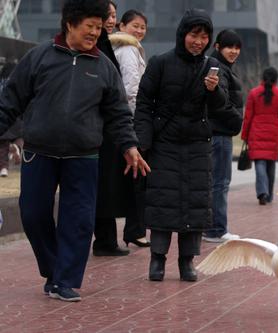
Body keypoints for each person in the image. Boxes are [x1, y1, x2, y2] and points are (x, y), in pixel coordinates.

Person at [0, 0, 150, 302]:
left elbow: (118, 113)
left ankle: (65, 280)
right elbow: (10, 100)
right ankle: (54, 269)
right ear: (69, 23)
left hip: (84, 155)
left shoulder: (104, 67)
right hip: (40, 152)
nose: (96, 32)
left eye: (99, 27)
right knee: (33, 214)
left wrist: (129, 145)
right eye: (90, 26)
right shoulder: (39, 57)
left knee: (80, 220)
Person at [135, 9, 226, 282]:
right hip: (165, 144)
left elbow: (224, 108)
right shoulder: (160, 63)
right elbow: (143, 104)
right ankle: (157, 259)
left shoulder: (212, 67)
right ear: (182, 35)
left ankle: (187, 261)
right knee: (163, 202)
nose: (198, 41)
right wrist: (143, 141)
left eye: (204, 37)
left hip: (198, 145)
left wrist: (215, 90)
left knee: (195, 203)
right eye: (193, 35)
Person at [96, 9, 150, 252]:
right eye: (135, 26)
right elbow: (130, 90)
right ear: (123, 26)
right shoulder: (128, 50)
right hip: (126, 122)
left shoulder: (111, 46)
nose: (139, 31)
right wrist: (134, 122)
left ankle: (116, 235)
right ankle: (134, 231)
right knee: (136, 176)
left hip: (112, 124)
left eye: (143, 27)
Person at [93, 0, 132, 257]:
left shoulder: (109, 45)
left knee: (106, 187)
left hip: (109, 131)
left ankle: (106, 240)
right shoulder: (96, 47)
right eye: (106, 15)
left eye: (113, 16)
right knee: (101, 187)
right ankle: (103, 241)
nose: (110, 20)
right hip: (95, 132)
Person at [203, 29, 243, 243]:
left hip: (220, 132)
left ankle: (211, 227)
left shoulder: (223, 67)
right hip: (219, 133)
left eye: (237, 48)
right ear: (217, 47)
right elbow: (221, 103)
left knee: (215, 182)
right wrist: (237, 120)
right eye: (229, 47)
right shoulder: (217, 68)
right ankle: (216, 229)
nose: (234, 51)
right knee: (220, 182)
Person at [241, 67, 278, 205]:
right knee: (271, 165)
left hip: (256, 132)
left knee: (260, 163)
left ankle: (262, 192)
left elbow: (247, 117)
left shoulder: (253, 93)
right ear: (276, 79)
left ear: (262, 79)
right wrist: (277, 122)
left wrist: (244, 135)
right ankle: (269, 195)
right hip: (274, 133)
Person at [0, 62, 22, 177]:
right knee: (19, 136)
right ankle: (16, 147)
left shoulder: (1, 82)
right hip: (15, 115)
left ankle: (3, 168)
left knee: (2, 143)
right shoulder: (16, 82)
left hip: (2, 114)